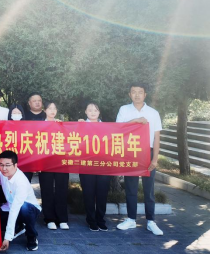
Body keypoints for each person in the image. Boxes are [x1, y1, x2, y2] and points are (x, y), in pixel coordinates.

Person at [116, 83, 163, 236]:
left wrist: (154, 159)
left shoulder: (153, 113)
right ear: (129, 94)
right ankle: (131, 219)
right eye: (134, 92)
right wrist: (136, 120)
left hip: (148, 153)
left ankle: (151, 221)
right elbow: (118, 129)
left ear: (145, 95)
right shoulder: (124, 109)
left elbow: (156, 137)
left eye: (140, 92)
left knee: (149, 190)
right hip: (131, 153)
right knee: (131, 189)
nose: (137, 95)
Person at [0, 150, 42, 252]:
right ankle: (19, 226)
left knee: (24, 208)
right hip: (10, 206)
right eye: (1, 165)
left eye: (8, 165)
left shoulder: (21, 182)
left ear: (15, 165)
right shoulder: (2, 173)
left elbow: (15, 209)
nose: (4, 168)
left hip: (29, 209)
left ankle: (32, 237)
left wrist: (7, 238)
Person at [77, 103, 111, 231]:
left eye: (95, 110)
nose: (92, 112)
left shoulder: (107, 127)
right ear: (85, 112)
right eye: (90, 110)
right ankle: (91, 220)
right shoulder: (80, 125)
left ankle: (100, 219)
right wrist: (78, 126)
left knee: (102, 193)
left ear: (99, 112)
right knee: (88, 193)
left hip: (103, 165)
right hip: (86, 165)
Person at [39, 101, 69, 230]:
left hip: (61, 161)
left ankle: (62, 219)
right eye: (49, 108)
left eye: (54, 108)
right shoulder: (39, 125)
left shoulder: (61, 125)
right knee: (47, 190)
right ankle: (49, 219)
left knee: (62, 189)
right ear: (45, 110)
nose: (52, 110)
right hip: (45, 162)